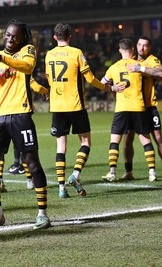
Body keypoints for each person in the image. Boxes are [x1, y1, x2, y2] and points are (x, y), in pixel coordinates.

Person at [0, 19, 50, 230]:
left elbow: (27, 67)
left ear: (22, 38)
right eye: (7, 35)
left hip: (20, 114)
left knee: (32, 163)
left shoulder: (28, 50)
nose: (9, 38)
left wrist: (2, 57)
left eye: (14, 36)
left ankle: (42, 214)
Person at [45, 23, 115, 198]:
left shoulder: (49, 55)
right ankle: (75, 174)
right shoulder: (76, 53)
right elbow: (90, 78)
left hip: (57, 107)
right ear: (70, 36)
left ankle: (61, 188)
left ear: (55, 37)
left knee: (61, 146)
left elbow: (49, 78)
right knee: (85, 142)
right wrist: (106, 88)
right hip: (76, 105)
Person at [120, 36, 162, 181]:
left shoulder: (152, 60)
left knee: (158, 138)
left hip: (149, 107)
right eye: (139, 45)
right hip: (132, 107)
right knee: (128, 140)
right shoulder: (129, 60)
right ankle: (128, 172)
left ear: (149, 48)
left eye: (145, 45)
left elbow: (160, 73)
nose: (142, 48)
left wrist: (141, 68)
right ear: (136, 46)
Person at [100, 38, 156, 182]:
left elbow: (101, 84)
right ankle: (152, 173)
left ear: (119, 50)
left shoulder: (114, 67)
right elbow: (153, 74)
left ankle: (112, 172)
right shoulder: (139, 65)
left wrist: (112, 88)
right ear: (132, 50)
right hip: (138, 107)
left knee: (115, 141)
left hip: (122, 108)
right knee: (146, 140)